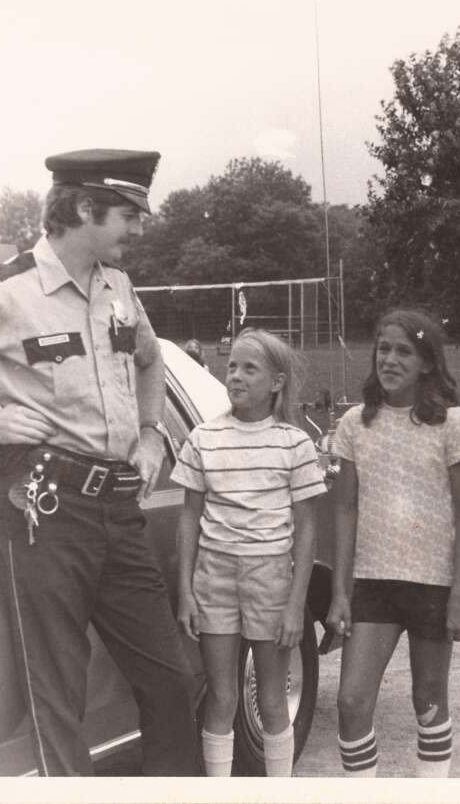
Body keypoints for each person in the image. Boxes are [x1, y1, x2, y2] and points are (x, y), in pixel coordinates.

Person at [0, 149, 199, 776]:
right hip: (43, 509)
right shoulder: (6, 289)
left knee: (171, 681)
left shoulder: (116, 286)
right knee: (59, 699)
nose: (140, 230)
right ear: (84, 209)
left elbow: (149, 360)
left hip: (119, 508)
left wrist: (150, 434)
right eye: (128, 215)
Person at [325, 308, 460, 778]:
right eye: (383, 348)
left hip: (432, 584)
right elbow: (345, 509)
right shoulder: (355, 424)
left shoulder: (452, 423)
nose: (390, 360)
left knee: (428, 700)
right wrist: (338, 592)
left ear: (427, 363)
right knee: (352, 701)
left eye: (404, 351)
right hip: (371, 583)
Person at [172, 328, 326, 777]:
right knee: (221, 697)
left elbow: (307, 527)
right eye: (232, 366)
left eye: (249, 368)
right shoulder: (203, 437)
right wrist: (185, 590)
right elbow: (189, 518)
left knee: (274, 699)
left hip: (271, 578)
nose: (235, 376)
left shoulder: (293, 443)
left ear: (276, 382)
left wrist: (296, 605)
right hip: (214, 578)